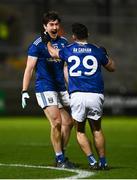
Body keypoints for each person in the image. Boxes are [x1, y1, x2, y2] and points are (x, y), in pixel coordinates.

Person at [46, 23, 116, 170]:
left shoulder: (68, 50)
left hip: (77, 95)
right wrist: (106, 55)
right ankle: (103, 162)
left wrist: (46, 40)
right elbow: (112, 67)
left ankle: (92, 162)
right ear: (88, 34)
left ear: (73, 36)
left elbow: (52, 52)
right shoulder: (96, 50)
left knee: (80, 131)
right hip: (95, 94)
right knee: (97, 129)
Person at [21, 11, 75, 168]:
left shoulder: (64, 42)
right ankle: (59, 159)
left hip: (61, 88)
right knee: (56, 122)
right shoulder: (37, 45)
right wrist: (24, 90)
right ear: (45, 26)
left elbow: (65, 67)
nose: (54, 27)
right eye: (51, 24)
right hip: (45, 87)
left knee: (69, 122)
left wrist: (72, 86)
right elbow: (29, 69)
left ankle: (61, 155)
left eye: (57, 24)